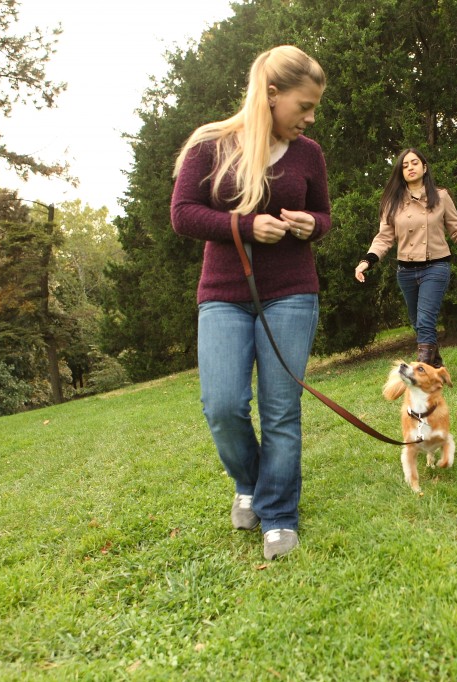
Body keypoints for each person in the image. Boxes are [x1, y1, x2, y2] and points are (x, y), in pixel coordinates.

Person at [170, 46, 330, 561]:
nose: (310, 117)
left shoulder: (309, 154)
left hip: (292, 293)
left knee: (281, 409)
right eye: (304, 106)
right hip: (223, 295)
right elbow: (183, 214)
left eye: (314, 109)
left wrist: (312, 226)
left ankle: (279, 515)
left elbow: (324, 215)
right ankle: (250, 482)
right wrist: (243, 225)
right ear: (271, 94)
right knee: (222, 406)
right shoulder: (211, 144)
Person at [353, 148, 457, 366]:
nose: (410, 167)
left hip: (436, 267)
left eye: (414, 163)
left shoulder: (441, 196)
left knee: (426, 321)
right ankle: (437, 367)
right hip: (406, 272)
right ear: (400, 172)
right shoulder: (392, 203)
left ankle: (423, 374)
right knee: (419, 324)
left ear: (424, 167)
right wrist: (366, 261)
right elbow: (384, 238)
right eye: (405, 165)